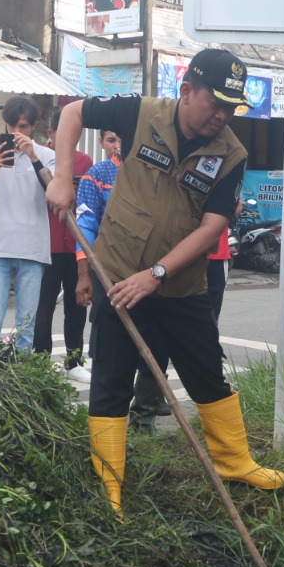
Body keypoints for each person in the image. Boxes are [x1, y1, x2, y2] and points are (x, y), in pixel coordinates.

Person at [46, 49, 284, 514]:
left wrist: (156, 275)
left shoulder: (230, 153)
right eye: (214, 103)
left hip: (178, 285)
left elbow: (212, 227)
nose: (222, 115)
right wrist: (62, 177)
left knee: (206, 375)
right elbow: (72, 112)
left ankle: (235, 462)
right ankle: (109, 483)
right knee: (111, 381)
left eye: (231, 107)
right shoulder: (140, 113)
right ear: (187, 90)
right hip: (118, 276)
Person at [72, 130, 170, 434]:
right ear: (104, 142)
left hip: (151, 275)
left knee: (157, 343)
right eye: (112, 139)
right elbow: (86, 224)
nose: (119, 145)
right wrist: (84, 274)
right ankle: (105, 428)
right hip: (109, 274)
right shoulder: (96, 175)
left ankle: (144, 416)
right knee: (109, 349)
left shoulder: (159, 173)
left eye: (123, 138)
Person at [0, 95, 55, 351]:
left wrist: (33, 158)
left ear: (33, 127)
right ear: (6, 125)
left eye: (24, 127)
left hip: (33, 249)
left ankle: (23, 385)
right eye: (13, 127)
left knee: (26, 328)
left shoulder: (46, 155)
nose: (17, 133)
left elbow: (53, 194)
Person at [35, 107, 94, 381]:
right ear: (51, 133)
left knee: (76, 305)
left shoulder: (85, 161)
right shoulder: (39, 160)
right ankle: (40, 359)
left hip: (75, 246)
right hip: (44, 246)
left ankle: (73, 363)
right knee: (43, 306)